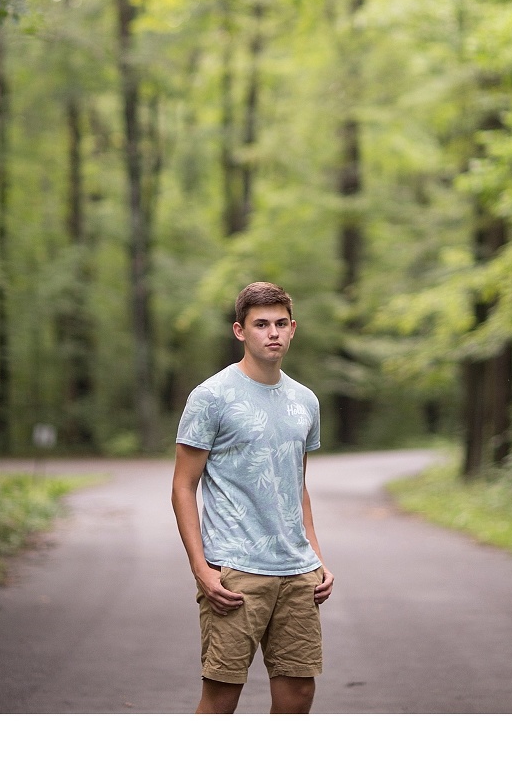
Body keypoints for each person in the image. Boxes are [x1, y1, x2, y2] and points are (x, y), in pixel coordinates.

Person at [172, 281, 334, 714]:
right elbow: (183, 487)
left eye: (281, 323)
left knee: (299, 694)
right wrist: (202, 569)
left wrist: (316, 558)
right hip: (236, 572)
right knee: (222, 697)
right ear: (240, 331)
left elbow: (297, 488)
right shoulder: (211, 397)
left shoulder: (306, 401)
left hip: (297, 573)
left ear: (293, 328)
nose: (273, 333)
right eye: (261, 324)